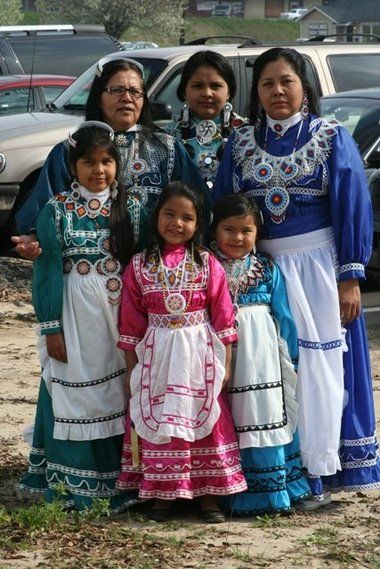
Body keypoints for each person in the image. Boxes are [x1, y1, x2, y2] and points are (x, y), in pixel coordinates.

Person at [214, 47, 380, 506]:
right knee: (268, 369)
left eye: (286, 80)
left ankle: (321, 467)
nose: (277, 91)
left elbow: (352, 206)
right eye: (267, 83)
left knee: (322, 368)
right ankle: (273, 470)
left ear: (305, 86)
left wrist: (350, 276)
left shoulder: (331, 137)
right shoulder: (241, 143)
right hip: (261, 272)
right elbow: (224, 210)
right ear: (257, 92)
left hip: (319, 269)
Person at [19, 122, 149, 511]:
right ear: (72, 166)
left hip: (120, 315)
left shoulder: (134, 208)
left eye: (107, 161)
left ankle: (122, 476)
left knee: (120, 390)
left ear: (117, 164)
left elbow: (141, 268)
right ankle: (72, 482)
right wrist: (51, 328)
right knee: (73, 387)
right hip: (74, 314)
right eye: (89, 162)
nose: (99, 170)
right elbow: (47, 273)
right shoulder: (56, 210)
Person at [115, 181, 247, 523]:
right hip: (157, 353)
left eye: (186, 217)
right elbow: (130, 321)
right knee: (160, 417)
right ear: (156, 216)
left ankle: (208, 496)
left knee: (204, 415)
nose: (177, 223)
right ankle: (162, 494)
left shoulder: (206, 263)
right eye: (169, 214)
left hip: (198, 354)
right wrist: (132, 368)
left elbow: (223, 315)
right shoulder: (140, 264)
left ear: (198, 223)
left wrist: (227, 362)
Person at [13, 55, 209, 259]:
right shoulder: (71, 149)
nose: (127, 98)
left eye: (135, 91)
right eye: (117, 90)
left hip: (154, 270)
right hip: (86, 268)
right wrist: (33, 237)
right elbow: (42, 206)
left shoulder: (167, 148)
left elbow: (197, 204)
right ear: (98, 96)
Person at [211, 194, 310, 515]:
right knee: (229, 417)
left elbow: (283, 314)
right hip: (220, 354)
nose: (237, 238)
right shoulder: (205, 264)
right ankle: (228, 489)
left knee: (264, 415)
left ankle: (272, 492)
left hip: (263, 358)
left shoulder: (267, 267)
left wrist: (291, 356)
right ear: (214, 229)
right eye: (229, 229)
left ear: (257, 233)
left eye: (246, 231)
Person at [166, 50, 245, 192]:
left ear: (228, 92)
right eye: (197, 86)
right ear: (184, 91)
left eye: (215, 86)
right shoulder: (167, 137)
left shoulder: (247, 133)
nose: (207, 93)